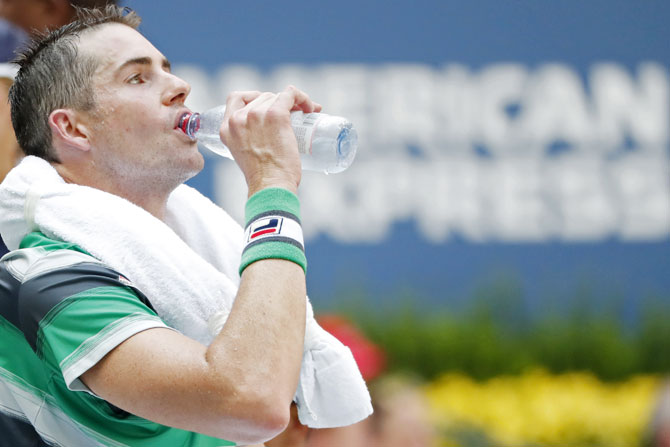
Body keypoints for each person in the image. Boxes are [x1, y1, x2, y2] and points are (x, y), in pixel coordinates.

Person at [0, 6, 371, 447]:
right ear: (73, 128)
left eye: (168, 70)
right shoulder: (48, 277)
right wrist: (272, 184)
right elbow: (251, 402)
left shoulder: (198, 255)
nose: (180, 87)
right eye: (138, 77)